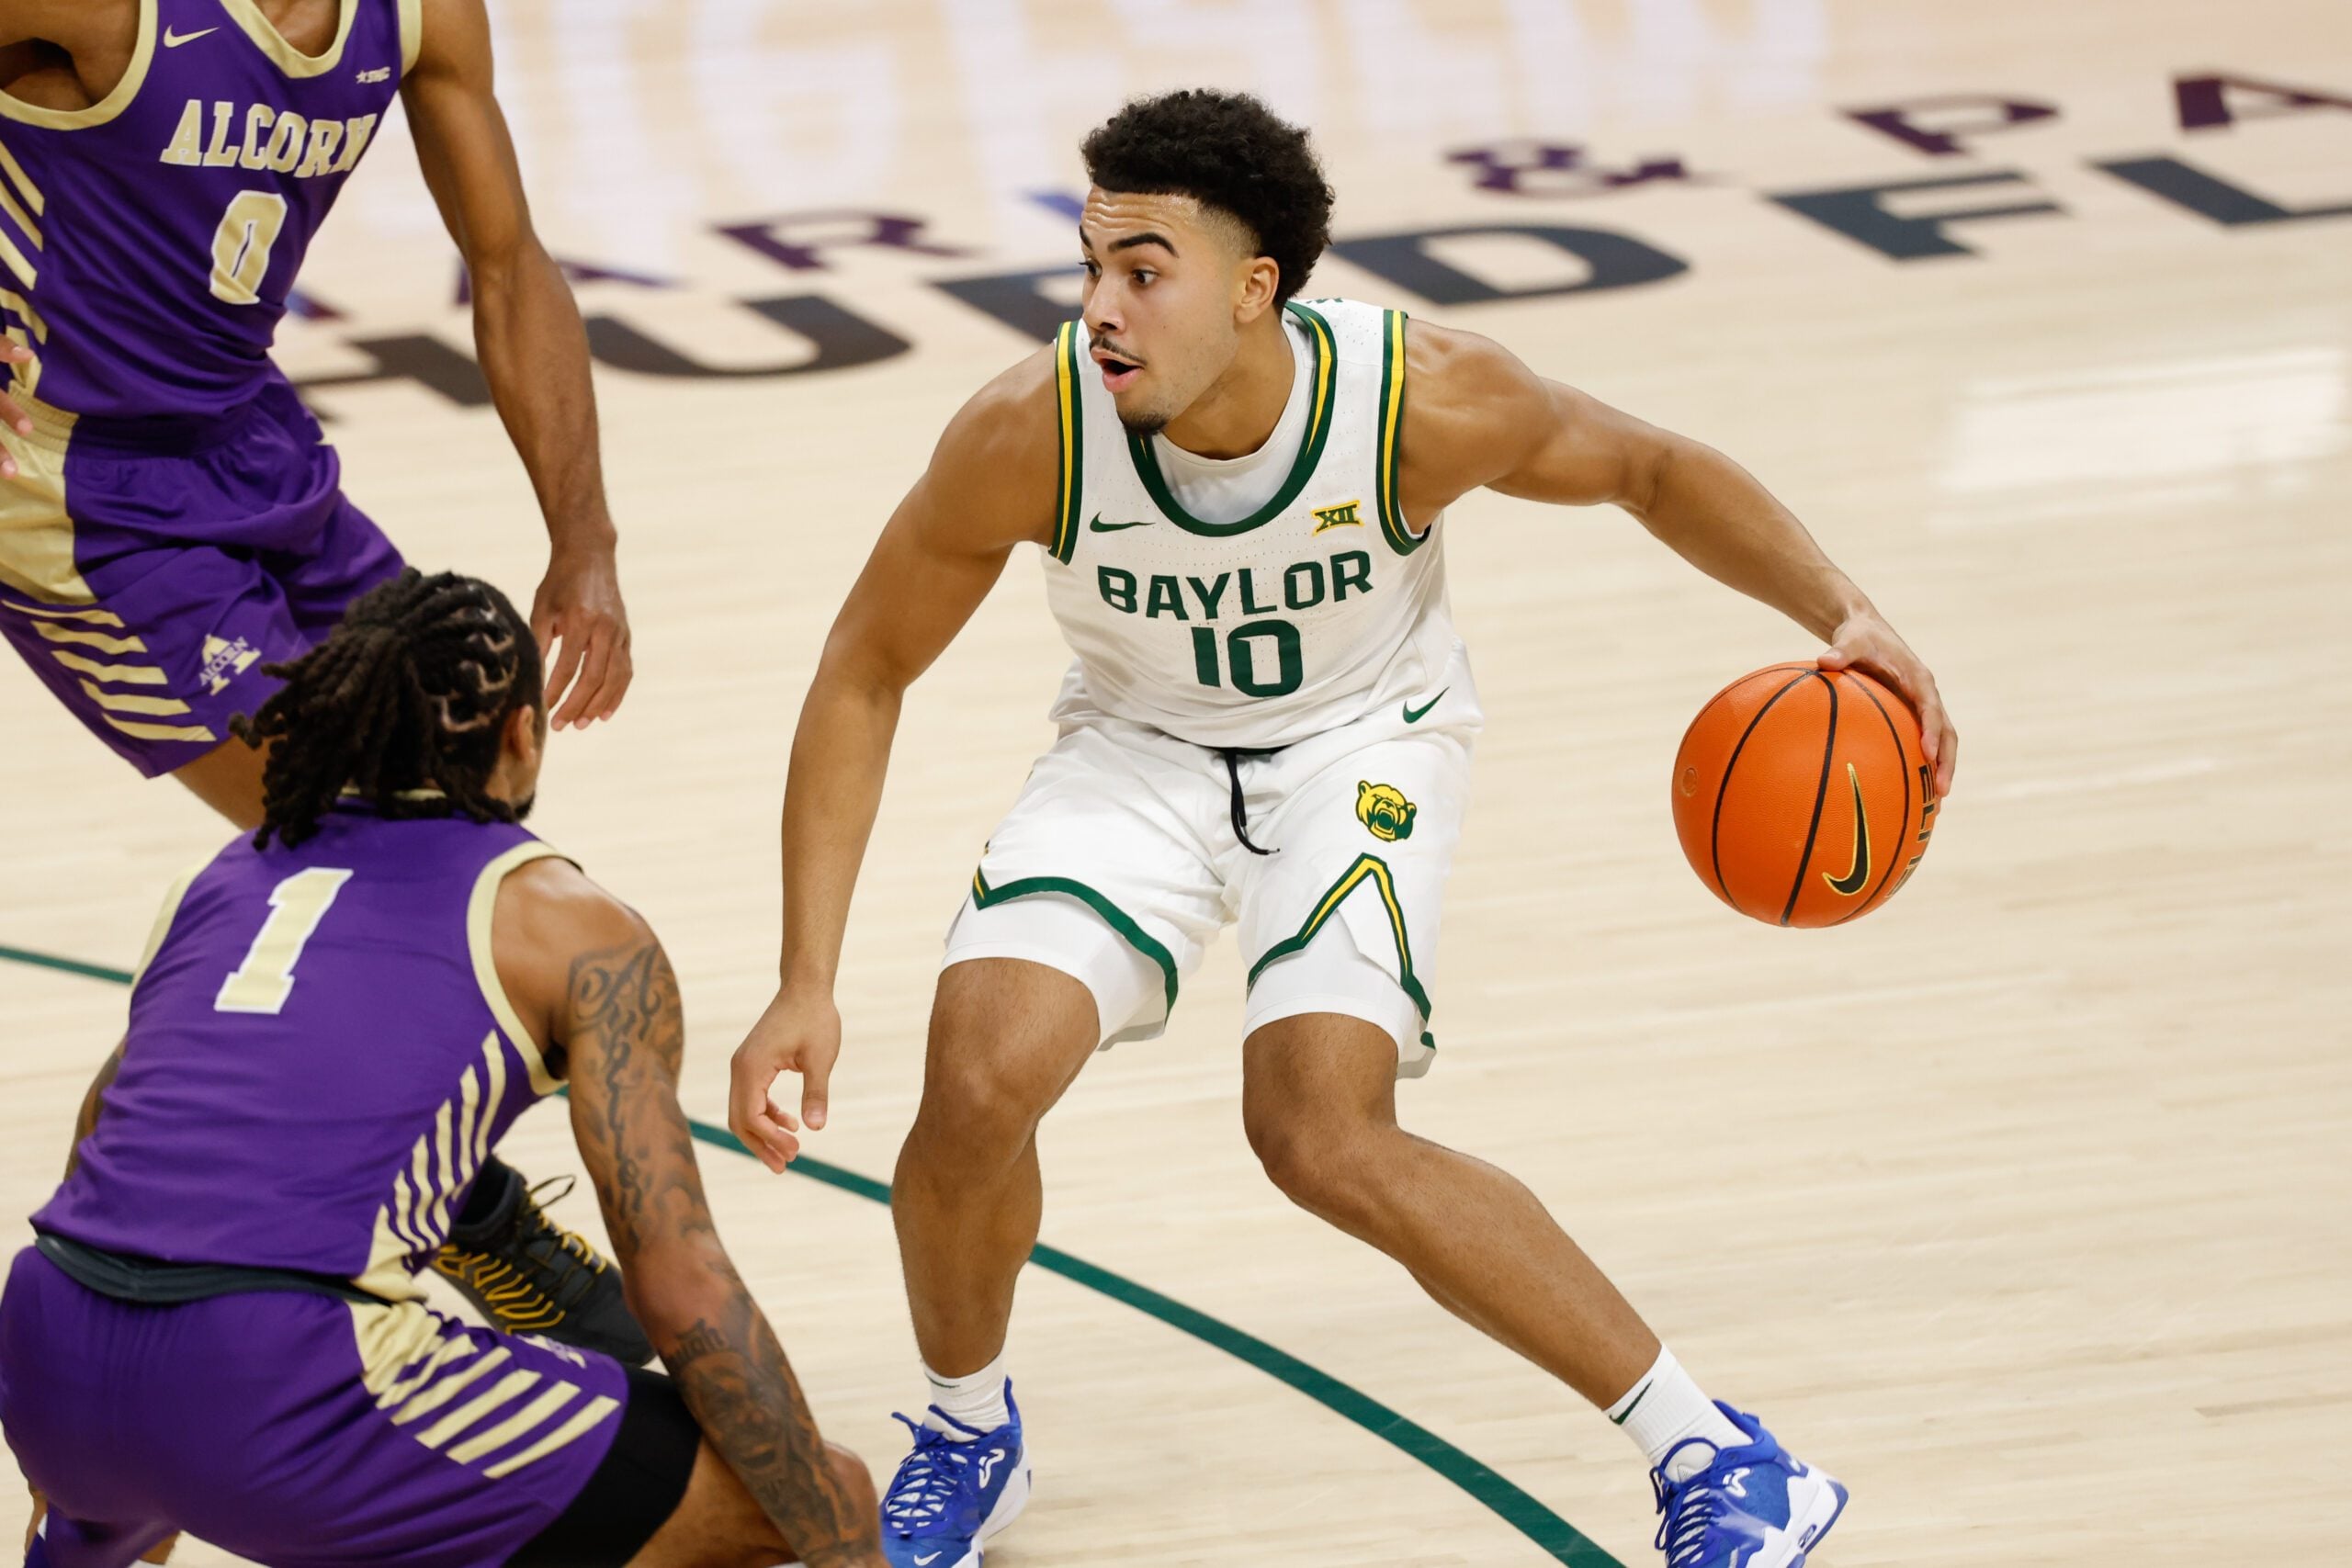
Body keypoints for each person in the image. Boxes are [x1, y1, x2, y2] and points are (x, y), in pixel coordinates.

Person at [730, 90, 1959, 1568]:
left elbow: (1649, 467)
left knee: (1318, 1132)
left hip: (1362, 747)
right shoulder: (1030, 430)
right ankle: (967, 1429)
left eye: (1143, 268)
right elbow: (865, 667)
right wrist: (807, 975)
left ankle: (1720, 1449)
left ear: (1255, 289)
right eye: (1090, 263)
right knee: (977, 1081)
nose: (1099, 307)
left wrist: (1846, 613)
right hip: (1141, 751)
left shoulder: (1420, 397)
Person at [0, 570, 885, 1568]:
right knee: (811, 1497)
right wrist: (841, 1532)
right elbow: (680, 1287)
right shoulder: (574, 929)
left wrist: (73, 1434)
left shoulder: (223, 878)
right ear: (519, 733)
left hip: (45, 1344)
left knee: (151, 1473)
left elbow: (101, 1136)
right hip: (281, 1377)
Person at [0, 0, 640, 1354]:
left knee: (462, 806)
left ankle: (430, 1196)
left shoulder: (416, 16)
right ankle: (160, 1268)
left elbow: (510, 262)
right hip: (80, 496)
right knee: (362, 847)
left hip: (251, 435)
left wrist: (583, 536)